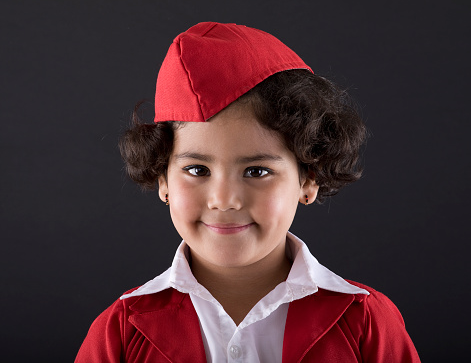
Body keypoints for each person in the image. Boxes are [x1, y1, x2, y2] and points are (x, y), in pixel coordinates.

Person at [75, 22, 420, 362]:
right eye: (197, 170)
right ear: (163, 179)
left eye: (257, 171)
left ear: (309, 179)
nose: (224, 200)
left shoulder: (366, 323)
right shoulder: (120, 333)